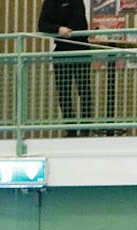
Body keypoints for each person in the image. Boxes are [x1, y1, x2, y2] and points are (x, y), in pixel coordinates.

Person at [39, 0, 95, 133]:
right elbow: (42, 25)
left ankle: (86, 128)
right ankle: (70, 128)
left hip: (80, 49)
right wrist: (59, 29)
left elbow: (79, 24)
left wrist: (63, 29)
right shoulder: (49, 2)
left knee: (84, 89)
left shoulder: (76, 1)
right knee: (63, 92)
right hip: (61, 50)